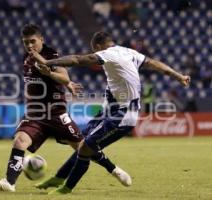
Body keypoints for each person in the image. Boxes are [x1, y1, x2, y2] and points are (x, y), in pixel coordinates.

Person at [31, 31, 190, 194]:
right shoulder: (129, 52)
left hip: (122, 116)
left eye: (95, 51)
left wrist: (47, 61)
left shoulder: (109, 54)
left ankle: (66, 188)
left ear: (98, 47)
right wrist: (177, 76)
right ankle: (60, 177)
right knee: (81, 142)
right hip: (109, 110)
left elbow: (77, 59)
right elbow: (153, 63)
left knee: (85, 148)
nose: (95, 54)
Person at [0, 24, 127, 192]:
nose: (30, 46)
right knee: (19, 141)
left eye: (33, 41)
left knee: (83, 148)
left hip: (56, 114)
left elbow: (64, 76)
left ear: (41, 40)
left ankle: (114, 170)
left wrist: (53, 76)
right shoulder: (26, 57)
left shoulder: (51, 55)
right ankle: (9, 183)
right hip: (35, 114)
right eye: (26, 42)